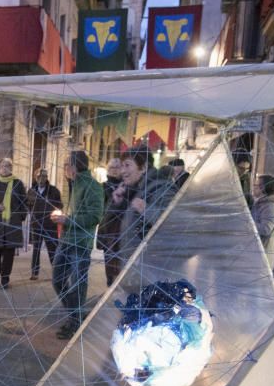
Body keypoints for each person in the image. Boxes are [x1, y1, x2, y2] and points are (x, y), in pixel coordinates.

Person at [51, 151, 104, 340]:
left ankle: (75, 321)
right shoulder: (71, 184)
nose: (64, 168)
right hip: (66, 241)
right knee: (57, 281)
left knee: (78, 284)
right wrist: (62, 218)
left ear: (75, 166)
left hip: (80, 244)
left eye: (67, 164)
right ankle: (76, 314)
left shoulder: (93, 186)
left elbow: (95, 216)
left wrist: (68, 219)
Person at [115, 145, 178, 263]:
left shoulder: (162, 187)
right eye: (122, 166)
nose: (122, 171)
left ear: (143, 167)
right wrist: (118, 203)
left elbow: (174, 224)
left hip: (150, 271)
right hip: (134, 268)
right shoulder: (138, 189)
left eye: (127, 165)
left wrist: (146, 209)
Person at [0, 157, 27, 289]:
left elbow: (23, 203)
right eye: (3, 165)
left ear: (11, 168)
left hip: (11, 223)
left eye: (8, 165)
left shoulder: (18, 184)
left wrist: (20, 217)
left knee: (9, 252)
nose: (5, 167)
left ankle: (5, 277)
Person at [27, 167, 61, 280]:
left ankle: (56, 272)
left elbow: (60, 205)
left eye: (44, 176)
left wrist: (51, 207)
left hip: (50, 225)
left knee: (53, 249)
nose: (41, 179)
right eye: (39, 177)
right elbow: (28, 205)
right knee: (36, 249)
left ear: (47, 178)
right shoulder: (31, 191)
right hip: (36, 224)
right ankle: (34, 272)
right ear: (35, 178)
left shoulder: (53, 190)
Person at [97, 157, 125, 286]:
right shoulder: (103, 187)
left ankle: (117, 285)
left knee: (119, 261)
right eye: (112, 168)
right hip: (107, 228)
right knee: (108, 260)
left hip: (121, 229)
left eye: (117, 167)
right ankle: (110, 285)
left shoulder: (125, 185)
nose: (114, 170)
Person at [251, 174, 274, 273]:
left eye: (256, 185)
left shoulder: (270, 206)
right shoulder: (262, 203)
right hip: (258, 250)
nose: (254, 187)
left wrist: (248, 224)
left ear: (263, 187)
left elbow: (266, 229)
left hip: (264, 251)